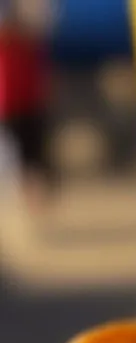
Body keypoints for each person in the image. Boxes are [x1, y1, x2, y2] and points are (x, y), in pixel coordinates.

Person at [0, 2, 50, 207]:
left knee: (33, 156)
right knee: (15, 157)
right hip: (9, 105)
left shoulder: (29, 40)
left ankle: (33, 199)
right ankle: (24, 197)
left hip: (29, 103)